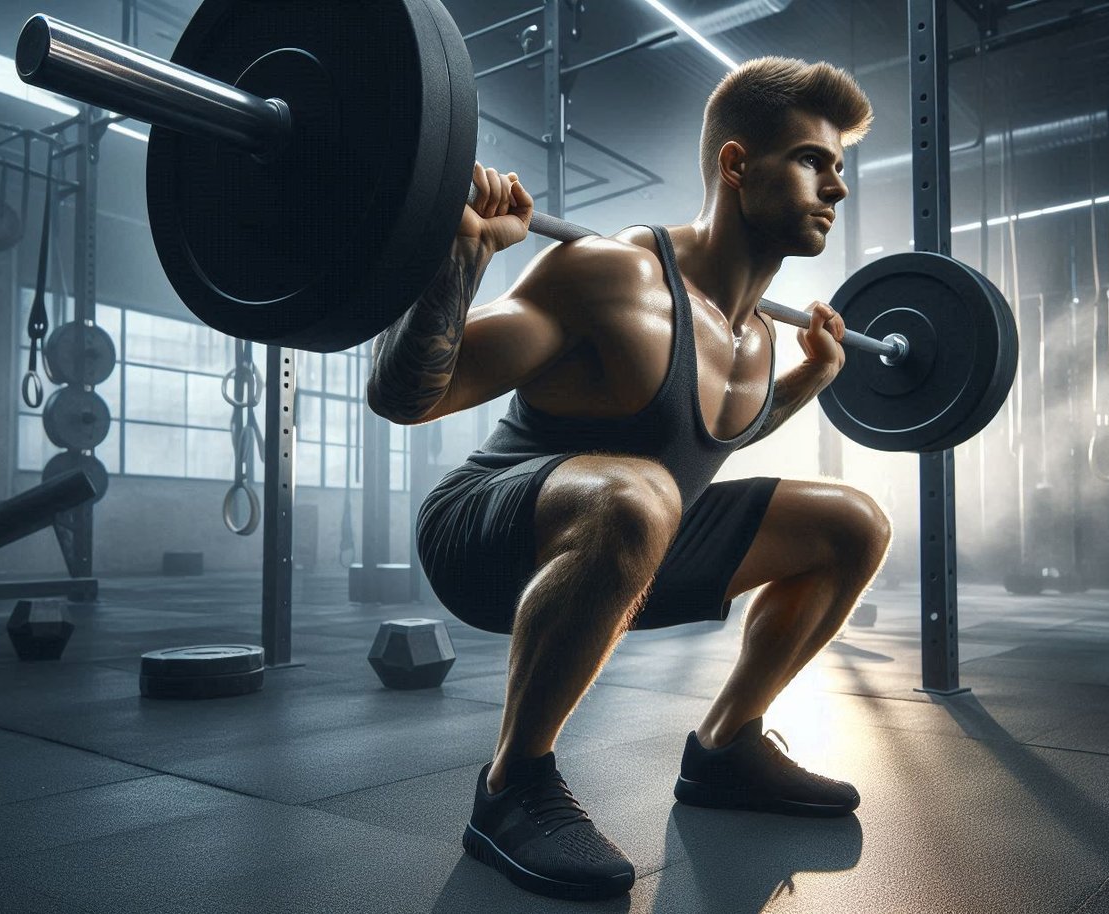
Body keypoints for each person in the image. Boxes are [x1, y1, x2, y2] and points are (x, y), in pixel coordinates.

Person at [367, 57, 889, 901]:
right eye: (811, 161)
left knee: (853, 523)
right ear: (736, 165)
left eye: (839, 168)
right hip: (482, 533)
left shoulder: (756, 340)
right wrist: (459, 260)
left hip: (634, 527)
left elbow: (712, 433)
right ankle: (512, 787)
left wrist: (809, 381)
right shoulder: (611, 276)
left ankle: (727, 748)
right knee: (640, 494)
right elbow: (406, 397)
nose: (836, 188)